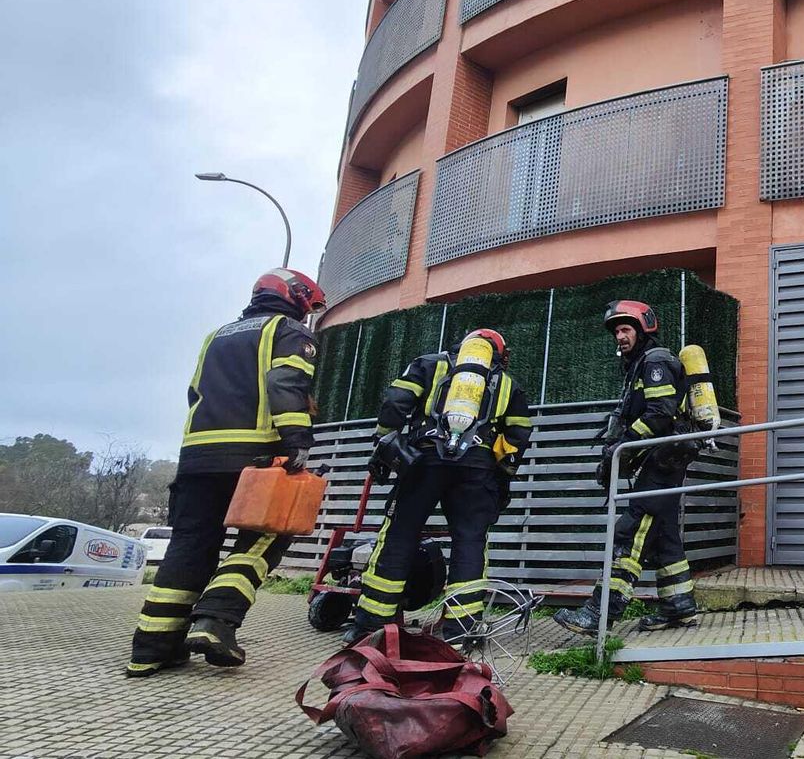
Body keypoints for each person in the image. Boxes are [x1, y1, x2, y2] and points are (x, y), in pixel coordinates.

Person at [126, 269, 324, 677]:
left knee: (191, 545)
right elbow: (286, 382)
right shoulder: (286, 331)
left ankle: (151, 647)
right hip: (254, 454)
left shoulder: (217, 335)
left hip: (197, 457)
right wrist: (297, 438)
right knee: (267, 534)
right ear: (297, 298)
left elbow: (194, 392)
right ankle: (216, 621)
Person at [342, 328, 533, 645]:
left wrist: (383, 441)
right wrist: (501, 475)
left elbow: (395, 402)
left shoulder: (429, 364)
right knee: (470, 543)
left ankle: (371, 627)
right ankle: (463, 631)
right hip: (477, 469)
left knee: (399, 536)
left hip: (423, 461)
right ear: (500, 354)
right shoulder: (507, 384)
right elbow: (518, 435)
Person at [554, 300, 700, 636]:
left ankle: (599, 613)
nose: (620, 336)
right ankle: (678, 607)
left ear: (643, 328)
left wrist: (623, 447)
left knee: (630, 533)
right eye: (617, 331)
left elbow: (660, 415)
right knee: (663, 536)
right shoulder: (637, 366)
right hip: (659, 460)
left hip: (663, 460)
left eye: (625, 329)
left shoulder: (656, 361)